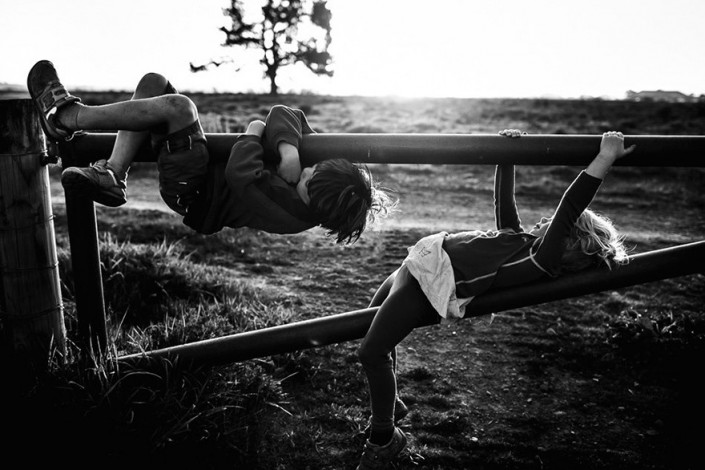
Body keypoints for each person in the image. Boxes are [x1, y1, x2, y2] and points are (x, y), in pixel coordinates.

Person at [353, 129, 634, 469]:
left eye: (553, 223)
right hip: (417, 266)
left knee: (372, 352)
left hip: (428, 284)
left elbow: (570, 205)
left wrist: (604, 158)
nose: (545, 219)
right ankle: (389, 403)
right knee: (370, 328)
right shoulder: (518, 241)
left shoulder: (540, 259)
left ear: (569, 240)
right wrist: (506, 154)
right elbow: (504, 202)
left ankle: (383, 438)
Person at [27, 60, 394, 244]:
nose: (308, 171)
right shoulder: (308, 176)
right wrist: (290, 152)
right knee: (153, 83)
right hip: (201, 171)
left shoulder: (287, 213)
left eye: (309, 181)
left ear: (314, 205)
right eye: (316, 168)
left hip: (195, 190)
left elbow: (240, 174)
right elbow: (287, 114)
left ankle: (65, 117)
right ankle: (112, 173)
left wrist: (253, 132)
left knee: (180, 108)